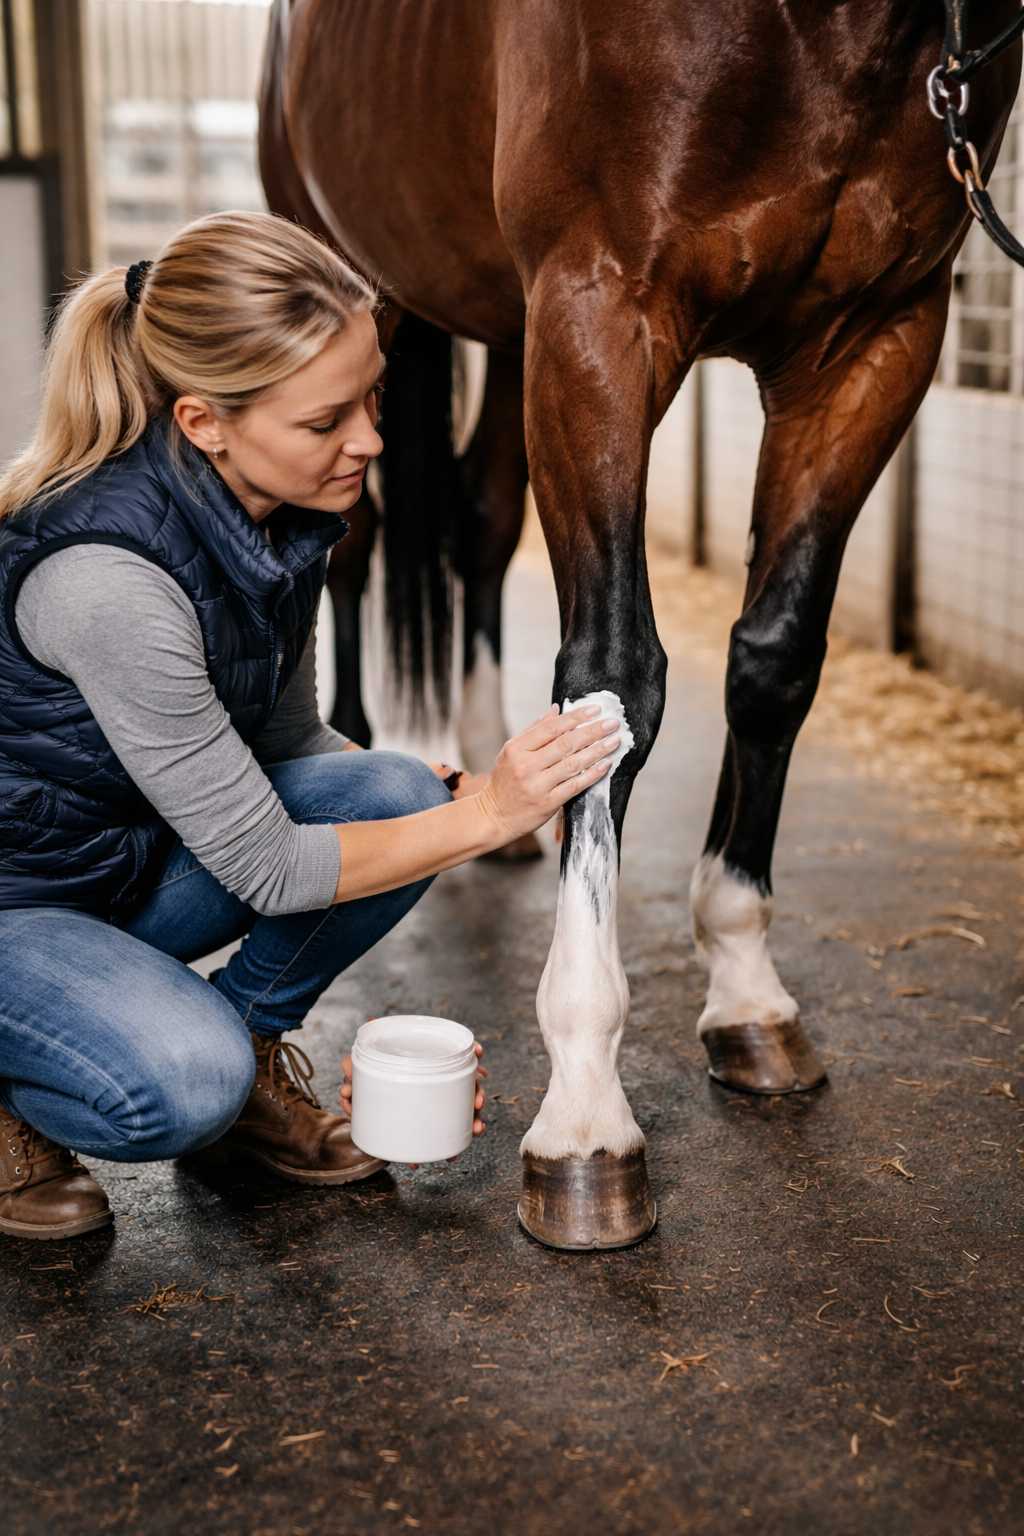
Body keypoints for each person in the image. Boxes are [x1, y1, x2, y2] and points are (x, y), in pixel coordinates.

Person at [0, 210, 621, 1240]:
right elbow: (270, 871)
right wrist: (488, 818)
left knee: (399, 792)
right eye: (327, 419)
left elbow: (292, 748)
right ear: (205, 423)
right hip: (19, 905)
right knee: (175, 1084)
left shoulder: (278, 521)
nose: (371, 439)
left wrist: (444, 805)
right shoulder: (108, 583)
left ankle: (247, 1057)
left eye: (372, 393)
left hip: (115, 863)